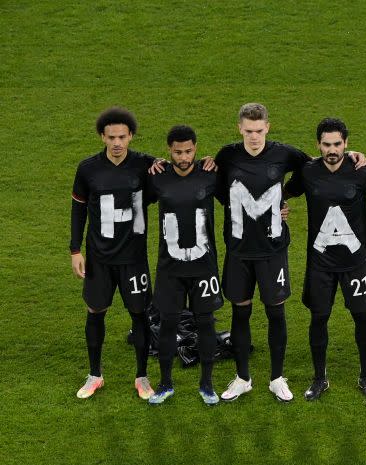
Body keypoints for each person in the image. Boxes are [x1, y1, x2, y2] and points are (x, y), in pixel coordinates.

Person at [283, 117, 366, 400]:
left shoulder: (360, 171)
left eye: (337, 144)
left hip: (355, 262)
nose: (332, 150)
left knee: (361, 317)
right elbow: (284, 192)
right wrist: (278, 206)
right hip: (320, 264)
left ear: (346, 144)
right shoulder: (308, 172)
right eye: (327, 144)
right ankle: (319, 378)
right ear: (318, 144)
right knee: (319, 318)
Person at [215, 103, 310, 402]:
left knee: (275, 313)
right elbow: (216, 187)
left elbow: (313, 168)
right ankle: (243, 377)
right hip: (239, 251)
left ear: (268, 127)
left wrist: (286, 196)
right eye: (248, 131)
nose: (254, 137)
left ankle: (276, 378)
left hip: (272, 251)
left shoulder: (284, 154)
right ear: (239, 129)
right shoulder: (227, 155)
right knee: (240, 313)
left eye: (259, 130)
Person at [70, 107, 157, 399]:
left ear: (131, 136)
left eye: (122, 136)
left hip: (134, 260)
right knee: (95, 313)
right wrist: (75, 249)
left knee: (139, 314)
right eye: (112, 137)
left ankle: (142, 377)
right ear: (102, 137)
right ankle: (95, 375)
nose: (117, 142)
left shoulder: (146, 166)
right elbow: (78, 210)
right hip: (99, 259)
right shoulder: (88, 169)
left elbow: (178, 182)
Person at [146, 125, 223, 405]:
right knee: (168, 324)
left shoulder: (210, 172)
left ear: (196, 148)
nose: (183, 157)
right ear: (169, 150)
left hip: (204, 266)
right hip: (170, 268)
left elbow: (238, 191)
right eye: (178, 152)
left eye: (188, 151)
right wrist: (150, 162)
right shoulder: (157, 177)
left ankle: (207, 384)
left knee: (205, 324)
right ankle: (165, 385)